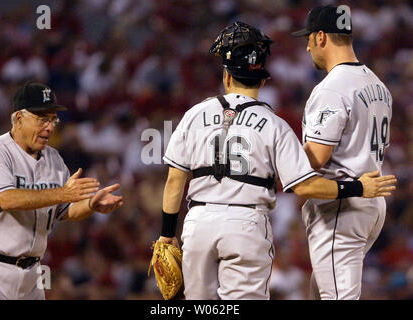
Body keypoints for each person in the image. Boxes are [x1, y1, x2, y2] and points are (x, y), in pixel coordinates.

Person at [154, 21, 396, 300]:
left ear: (227, 76)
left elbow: (174, 181)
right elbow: (305, 186)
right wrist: (356, 188)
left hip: (198, 223)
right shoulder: (274, 125)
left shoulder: (195, 115)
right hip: (246, 223)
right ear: (263, 79)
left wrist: (166, 235)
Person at [0, 82, 123, 300]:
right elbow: (6, 199)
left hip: (32, 274)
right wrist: (63, 193)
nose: (50, 126)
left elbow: (66, 211)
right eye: (42, 118)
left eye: (53, 118)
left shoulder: (53, 158)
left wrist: (91, 204)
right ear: (18, 118)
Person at [292, 5, 394, 300]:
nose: (307, 45)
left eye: (309, 37)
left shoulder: (331, 89)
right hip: (369, 205)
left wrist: (275, 155)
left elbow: (315, 159)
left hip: (342, 206)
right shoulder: (377, 84)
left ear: (321, 36)